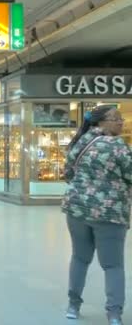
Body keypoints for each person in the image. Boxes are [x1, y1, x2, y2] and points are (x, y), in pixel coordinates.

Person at [62, 105, 131, 325]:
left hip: (77, 210)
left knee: (80, 258)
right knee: (113, 265)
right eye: (116, 118)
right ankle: (114, 314)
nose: (121, 122)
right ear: (101, 122)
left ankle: (73, 306)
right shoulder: (118, 146)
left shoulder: (79, 143)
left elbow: (67, 175)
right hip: (109, 213)